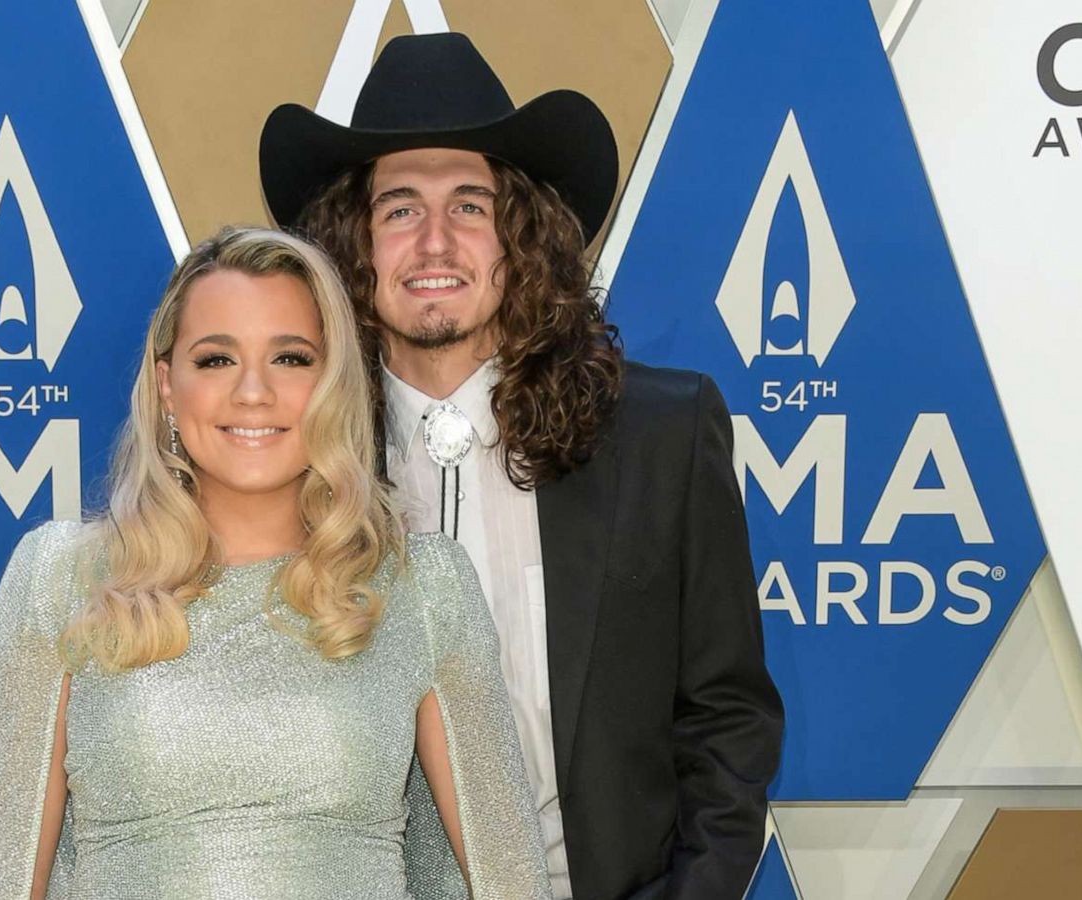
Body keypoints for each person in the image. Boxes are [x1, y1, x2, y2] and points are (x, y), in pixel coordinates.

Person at [260, 33, 784, 900]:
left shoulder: (661, 432)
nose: (434, 243)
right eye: (398, 209)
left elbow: (728, 717)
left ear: (524, 236)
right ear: (352, 245)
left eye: (471, 205)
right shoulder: (289, 453)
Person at [0, 226, 551, 899]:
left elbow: (512, 880)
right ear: (166, 388)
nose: (252, 392)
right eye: (215, 360)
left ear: (334, 383)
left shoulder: (421, 589)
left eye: (291, 359)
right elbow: (0, 883)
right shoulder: (58, 578)